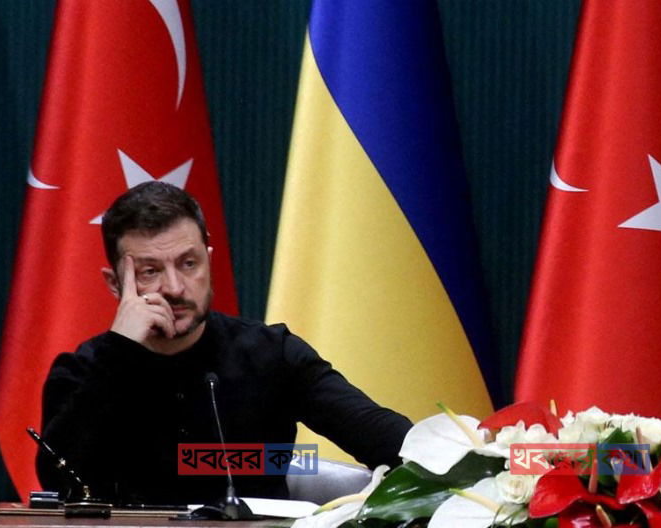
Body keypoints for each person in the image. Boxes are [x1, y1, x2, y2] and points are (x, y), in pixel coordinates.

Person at [37, 181, 411, 504]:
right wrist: (120, 354)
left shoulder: (273, 354)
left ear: (209, 261)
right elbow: (56, 480)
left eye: (189, 264)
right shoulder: (83, 372)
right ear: (114, 284)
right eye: (150, 271)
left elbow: (396, 445)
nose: (175, 287)